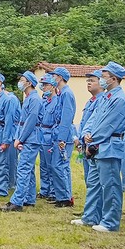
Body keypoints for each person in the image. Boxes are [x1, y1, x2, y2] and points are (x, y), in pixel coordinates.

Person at [83, 62, 125, 233]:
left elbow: (108, 125)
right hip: (97, 146)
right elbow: (93, 118)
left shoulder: (119, 99)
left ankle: (110, 221)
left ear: (114, 79)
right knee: (94, 183)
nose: (101, 80)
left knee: (110, 185)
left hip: (108, 147)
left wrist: (92, 139)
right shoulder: (105, 97)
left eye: (104, 76)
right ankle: (90, 216)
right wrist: (86, 134)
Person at [1, 71, 43, 211]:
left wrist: (20, 138)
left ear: (29, 83)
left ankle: (17, 201)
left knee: (23, 169)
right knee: (28, 169)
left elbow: (31, 121)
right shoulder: (29, 98)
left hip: (31, 139)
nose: (20, 82)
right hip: (27, 138)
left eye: (23, 80)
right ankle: (29, 198)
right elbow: (21, 121)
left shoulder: (35, 99)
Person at [71, 71, 106, 226]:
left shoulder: (102, 100)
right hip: (85, 143)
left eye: (92, 80)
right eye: (87, 81)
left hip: (95, 146)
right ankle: (91, 211)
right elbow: (86, 123)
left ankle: (99, 213)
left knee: (98, 183)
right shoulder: (91, 101)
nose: (89, 83)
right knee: (89, 181)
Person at [49, 67, 76, 208]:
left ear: (59, 77)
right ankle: (62, 196)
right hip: (59, 132)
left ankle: (65, 197)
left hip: (63, 134)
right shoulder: (61, 94)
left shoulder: (66, 94)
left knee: (59, 165)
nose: (52, 78)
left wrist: (62, 139)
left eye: (54, 76)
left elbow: (66, 117)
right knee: (59, 166)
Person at [36, 75, 59, 201]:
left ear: (53, 86)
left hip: (50, 134)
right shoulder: (44, 101)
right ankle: (44, 190)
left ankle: (53, 192)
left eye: (46, 85)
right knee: (43, 165)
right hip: (41, 134)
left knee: (51, 165)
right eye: (43, 85)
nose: (44, 87)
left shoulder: (57, 101)